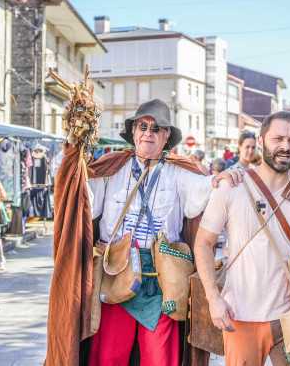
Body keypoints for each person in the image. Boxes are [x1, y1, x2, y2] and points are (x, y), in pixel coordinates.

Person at [86, 99, 241, 366]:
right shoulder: (111, 168)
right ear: (133, 132)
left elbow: (200, 189)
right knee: (110, 355)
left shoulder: (179, 172)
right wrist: (72, 170)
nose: (148, 132)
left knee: (159, 358)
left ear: (166, 135)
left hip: (162, 277)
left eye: (156, 128)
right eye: (142, 126)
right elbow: (86, 201)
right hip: (115, 272)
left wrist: (218, 179)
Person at [195, 111, 290, 366]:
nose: (285, 146)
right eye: (277, 138)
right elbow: (203, 242)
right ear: (261, 142)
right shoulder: (232, 187)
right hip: (241, 316)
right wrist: (214, 299)